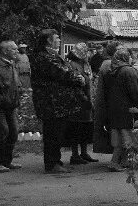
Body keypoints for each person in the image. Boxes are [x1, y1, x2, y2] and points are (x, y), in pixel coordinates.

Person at [30, 29, 87, 173]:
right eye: (56, 38)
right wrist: (78, 78)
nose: (59, 40)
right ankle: (52, 164)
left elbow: (67, 69)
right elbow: (62, 73)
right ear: (49, 40)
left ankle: (56, 161)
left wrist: (77, 76)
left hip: (57, 102)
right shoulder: (44, 57)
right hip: (50, 102)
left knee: (57, 133)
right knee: (53, 134)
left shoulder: (51, 55)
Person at [103, 49, 138, 172]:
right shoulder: (129, 71)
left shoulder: (110, 72)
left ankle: (123, 161)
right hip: (128, 109)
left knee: (117, 136)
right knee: (127, 137)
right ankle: (115, 162)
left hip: (114, 109)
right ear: (126, 58)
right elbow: (135, 92)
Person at [0, 40, 22, 173]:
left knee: (13, 132)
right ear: (5, 51)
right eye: (14, 49)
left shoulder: (12, 64)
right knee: (2, 131)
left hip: (11, 105)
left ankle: (6, 161)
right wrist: (1, 99)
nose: (17, 51)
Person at [64, 43, 97, 165]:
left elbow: (89, 80)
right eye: (86, 52)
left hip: (87, 98)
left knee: (85, 127)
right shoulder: (72, 65)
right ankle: (75, 154)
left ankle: (84, 152)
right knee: (76, 127)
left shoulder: (85, 64)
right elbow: (75, 82)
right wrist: (85, 98)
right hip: (78, 100)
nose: (88, 54)